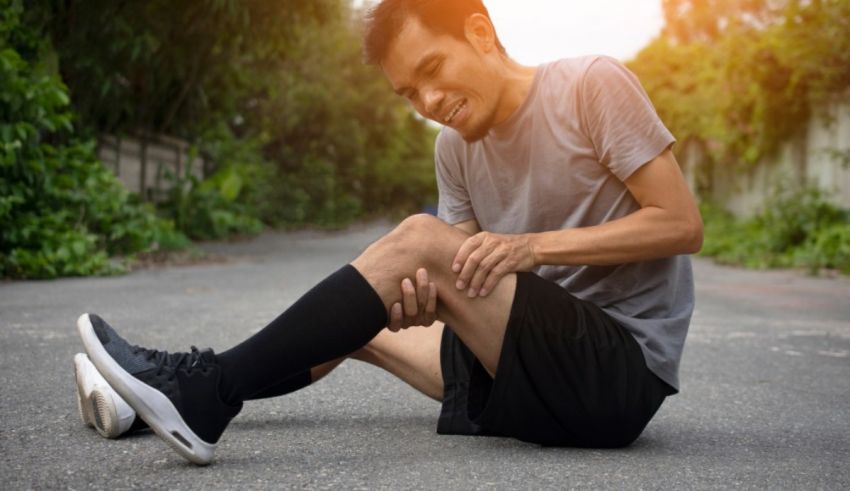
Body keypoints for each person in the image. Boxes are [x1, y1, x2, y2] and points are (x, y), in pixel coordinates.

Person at [74, 0, 702, 465]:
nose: (428, 100)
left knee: (415, 238)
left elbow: (680, 224)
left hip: (618, 374)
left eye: (432, 68)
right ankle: (155, 402)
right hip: (530, 365)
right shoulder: (455, 149)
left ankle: (204, 389)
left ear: (480, 31)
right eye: (409, 92)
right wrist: (423, 294)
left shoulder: (590, 85)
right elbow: (459, 274)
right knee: (354, 320)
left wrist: (530, 246)